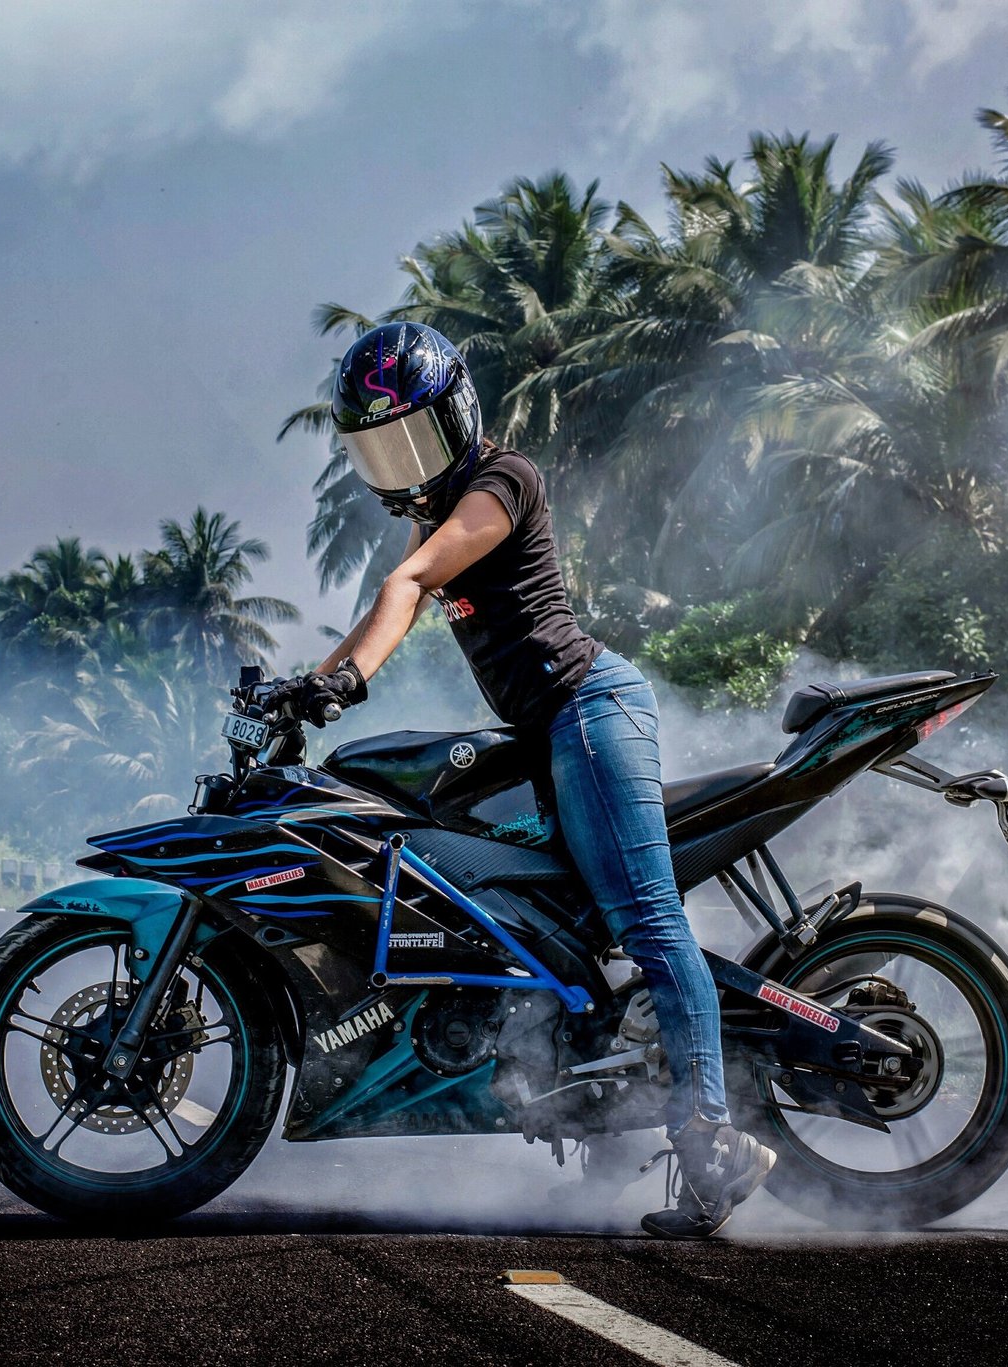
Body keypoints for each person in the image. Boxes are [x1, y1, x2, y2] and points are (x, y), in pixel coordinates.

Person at [287, 321, 775, 1240]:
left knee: (647, 922)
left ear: (460, 414)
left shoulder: (504, 480)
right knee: (561, 925)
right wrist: (309, 690)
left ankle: (714, 1142)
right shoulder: (437, 517)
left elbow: (409, 586)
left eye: (416, 436)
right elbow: (385, 603)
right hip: (550, 732)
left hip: (588, 712)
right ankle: (598, 1117)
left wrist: (343, 681)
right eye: (383, 447)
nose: (405, 463)